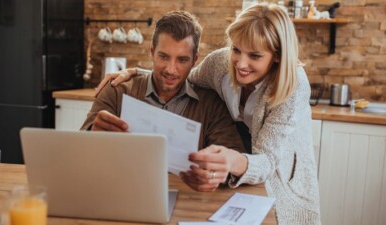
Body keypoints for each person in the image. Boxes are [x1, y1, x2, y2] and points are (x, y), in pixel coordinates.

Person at [96, 3, 321, 224]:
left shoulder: (294, 87)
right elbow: (182, 75)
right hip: (241, 155)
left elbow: (268, 161)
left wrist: (233, 161)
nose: (241, 64)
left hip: (282, 169)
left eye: (254, 56)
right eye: (236, 50)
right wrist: (137, 73)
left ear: (278, 56)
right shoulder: (220, 64)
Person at [81, 11, 245, 170]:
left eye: (182, 60)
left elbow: (233, 157)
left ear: (195, 60)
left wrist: (218, 170)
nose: (171, 70)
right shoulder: (117, 90)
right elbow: (81, 148)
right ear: (152, 52)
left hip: (188, 195)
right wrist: (93, 134)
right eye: (164, 57)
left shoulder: (211, 104)